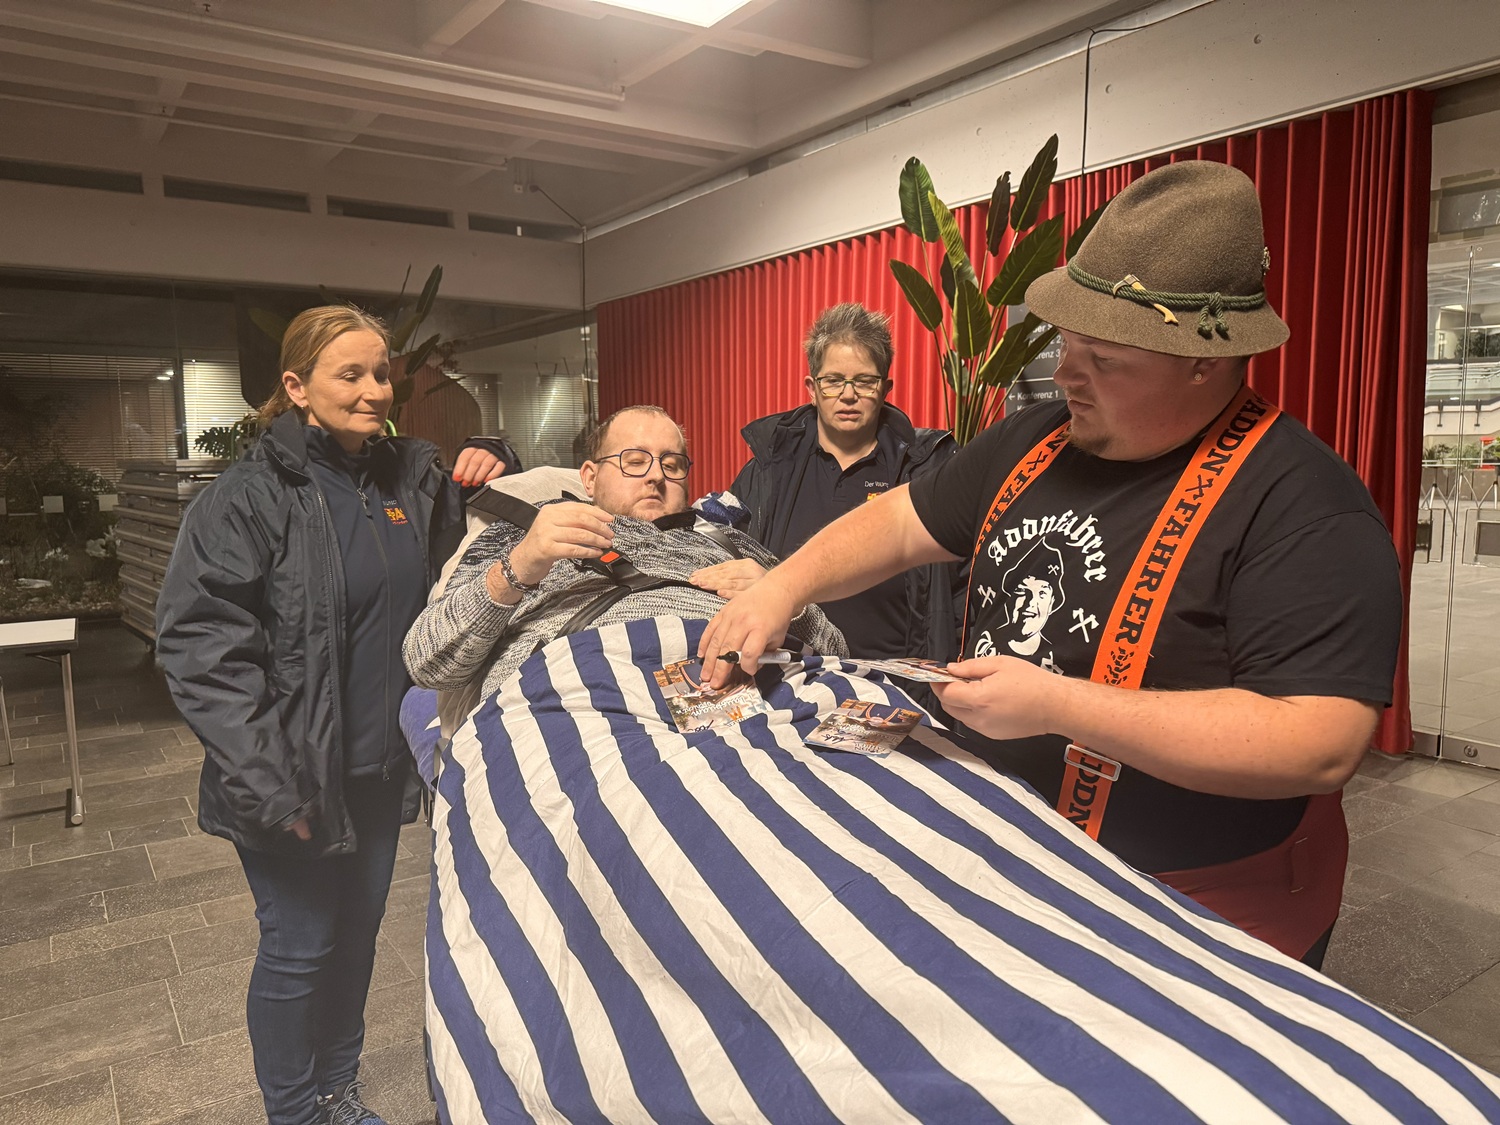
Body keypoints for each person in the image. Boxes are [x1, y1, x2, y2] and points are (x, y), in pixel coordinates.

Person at [697, 161, 1403, 968]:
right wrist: (785, 584)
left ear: (1204, 361)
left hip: (1198, 905)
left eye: (1103, 358)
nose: (1067, 373)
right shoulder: (1033, 439)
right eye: (1069, 342)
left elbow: (1317, 739)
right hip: (1013, 850)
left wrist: (1062, 705)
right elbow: (900, 521)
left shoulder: (1307, 505)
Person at [155, 305, 512, 1125]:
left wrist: (494, 452)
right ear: (296, 387)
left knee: (356, 939)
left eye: (380, 372)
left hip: (378, 771)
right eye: (348, 373)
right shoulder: (249, 496)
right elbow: (200, 648)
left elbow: (464, 494)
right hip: (291, 780)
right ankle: (295, 1112)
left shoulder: (400, 477)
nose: (372, 389)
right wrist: (273, 783)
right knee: (300, 947)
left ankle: (338, 1091)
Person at [404, 404, 845, 705]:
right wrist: (520, 566)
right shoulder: (528, 535)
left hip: (765, 697)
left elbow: (835, 653)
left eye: (672, 464)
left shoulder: (733, 542)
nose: (656, 476)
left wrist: (791, 601)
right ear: (589, 478)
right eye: (635, 461)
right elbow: (428, 663)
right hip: (599, 701)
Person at [729, 303, 960, 664]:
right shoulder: (768, 470)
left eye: (864, 381)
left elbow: (961, 592)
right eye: (833, 380)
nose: (848, 394)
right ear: (812, 388)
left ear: (885, 388)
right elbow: (718, 551)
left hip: (896, 687)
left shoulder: (926, 470)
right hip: (790, 680)